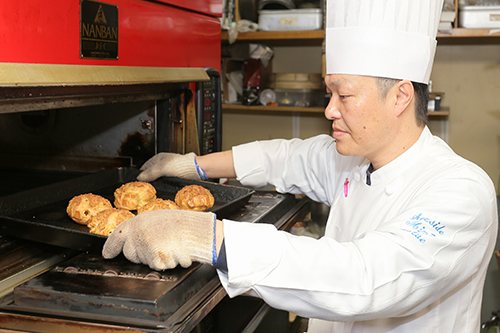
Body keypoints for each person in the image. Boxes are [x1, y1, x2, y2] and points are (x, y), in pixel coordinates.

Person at [102, 0, 499, 331]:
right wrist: (193, 166)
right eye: (330, 93)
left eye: (344, 95)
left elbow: (366, 277)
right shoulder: (357, 159)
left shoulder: (462, 193)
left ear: (400, 97)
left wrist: (206, 237)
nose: (330, 110)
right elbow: (286, 156)